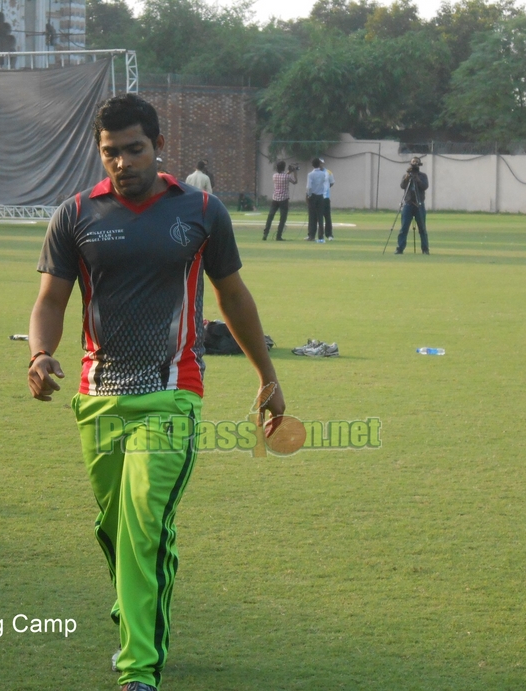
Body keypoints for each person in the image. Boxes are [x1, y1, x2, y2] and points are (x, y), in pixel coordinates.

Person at [27, 93, 285, 691]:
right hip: (97, 397)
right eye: (111, 153)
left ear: (159, 146)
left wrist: (268, 378)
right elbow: (49, 302)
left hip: (173, 394)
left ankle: (138, 669)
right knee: (116, 529)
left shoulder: (200, 210)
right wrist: (40, 354)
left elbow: (235, 298)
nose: (123, 163)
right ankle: (137, 598)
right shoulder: (75, 216)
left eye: (135, 149)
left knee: (143, 522)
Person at [395, 156, 430, 255]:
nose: (414, 163)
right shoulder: (406, 175)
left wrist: (417, 179)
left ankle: (425, 249)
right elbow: (402, 186)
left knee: (422, 228)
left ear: (419, 164)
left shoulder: (423, 176)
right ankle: (400, 248)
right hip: (408, 204)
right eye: (413, 162)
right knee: (404, 228)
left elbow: (425, 186)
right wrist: (407, 177)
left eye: (416, 162)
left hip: (419, 205)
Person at [262, 160, 297, 241]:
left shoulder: (274, 176)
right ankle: (278, 236)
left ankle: (265, 233)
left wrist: (288, 172)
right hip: (284, 199)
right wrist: (294, 172)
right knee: (282, 218)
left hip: (275, 198)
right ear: (284, 167)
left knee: (270, 216)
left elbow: (283, 177)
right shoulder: (287, 176)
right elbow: (295, 181)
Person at [305, 157, 326, 243]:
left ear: (312, 165)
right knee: (320, 217)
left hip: (313, 196)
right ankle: (321, 236)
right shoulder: (323, 174)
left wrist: (308, 195)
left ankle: (311, 235)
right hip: (320, 196)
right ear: (319, 164)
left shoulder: (310, 174)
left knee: (312, 216)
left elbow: (309, 187)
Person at [321, 160, 334, 241]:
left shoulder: (328, 172)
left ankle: (329, 234)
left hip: (325, 197)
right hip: (317, 197)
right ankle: (312, 234)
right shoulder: (313, 172)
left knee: (327, 217)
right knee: (315, 217)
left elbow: (331, 183)